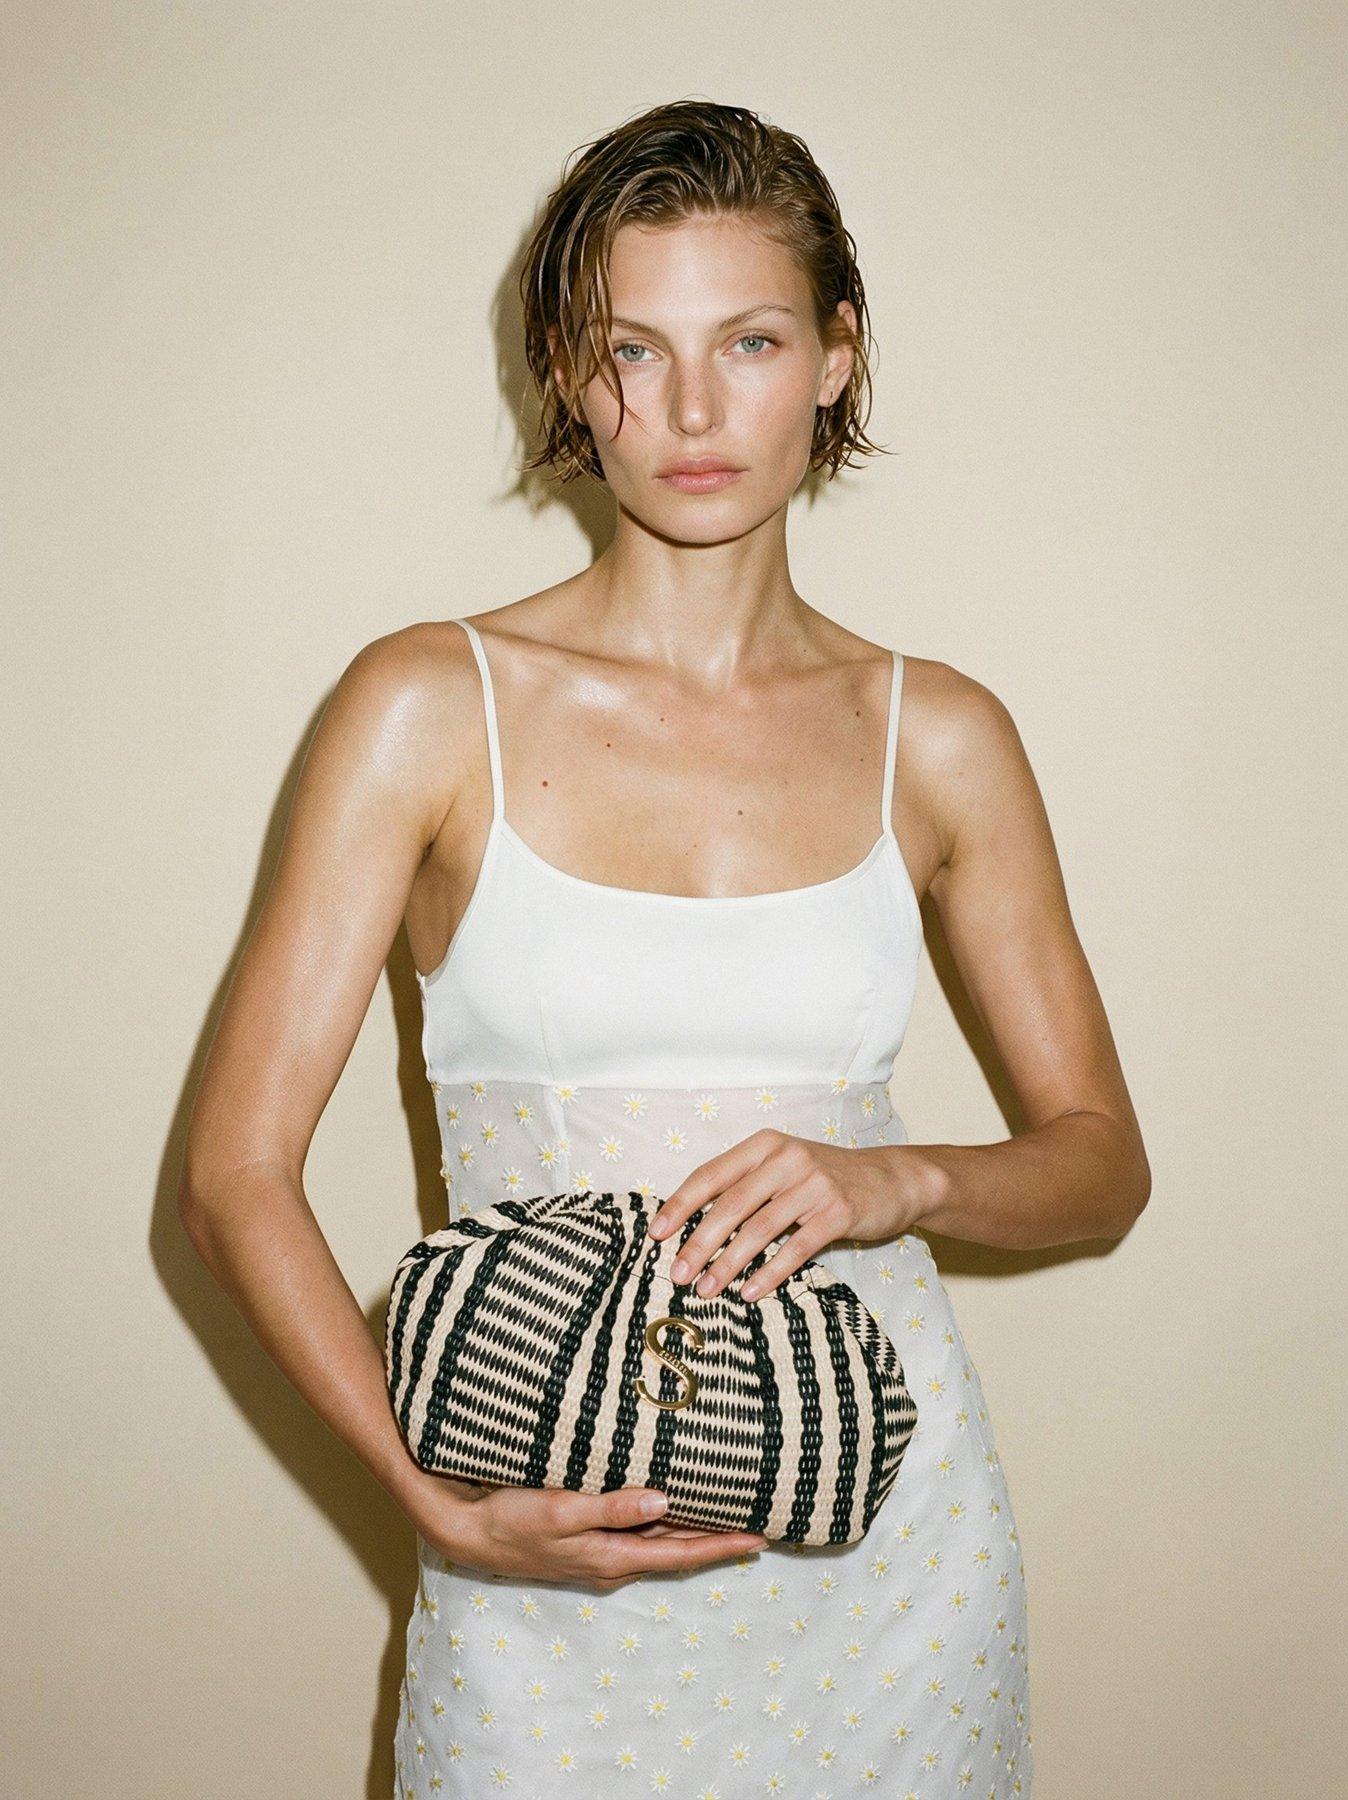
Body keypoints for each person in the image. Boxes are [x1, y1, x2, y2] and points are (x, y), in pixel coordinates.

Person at [179, 99, 1150, 1798]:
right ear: (571, 375)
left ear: (835, 357)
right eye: (634, 350)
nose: (693, 411)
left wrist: (897, 1180)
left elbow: (1101, 1166)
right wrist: (430, 1503)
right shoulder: (424, 707)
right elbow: (234, 1174)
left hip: (886, 1563)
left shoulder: (941, 737)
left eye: (749, 342)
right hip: (540, 1535)